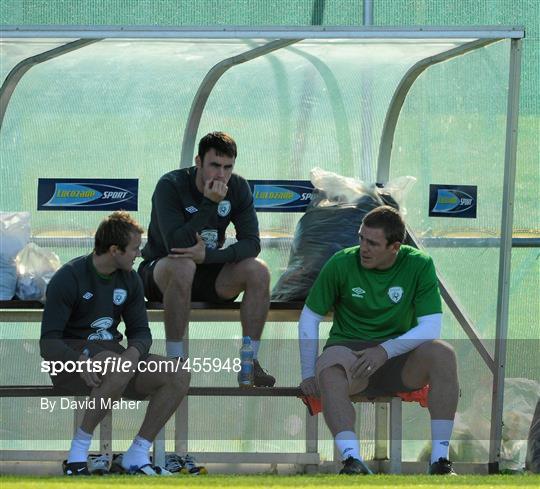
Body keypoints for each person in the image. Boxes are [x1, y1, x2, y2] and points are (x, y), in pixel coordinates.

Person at [298, 205, 459, 475]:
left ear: (395, 247)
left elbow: (431, 327)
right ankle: (352, 461)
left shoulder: (420, 264)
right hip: (351, 357)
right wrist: (307, 374)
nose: (363, 247)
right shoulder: (340, 262)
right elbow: (309, 318)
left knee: (443, 353)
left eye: (372, 243)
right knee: (329, 370)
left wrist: (385, 350)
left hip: (399, 359)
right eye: (361, 238)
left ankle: (440, 461)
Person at [40, 212, 190, 476]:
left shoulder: (130, 279)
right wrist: (78, 361)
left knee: (179, 373)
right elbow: (48, 343)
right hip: (74, 366)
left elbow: (141, 333)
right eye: (134, 248)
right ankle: (77, 455)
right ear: (114, 250)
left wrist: (133, 353)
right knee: (116, 363)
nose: (139, 253)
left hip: (118, 365)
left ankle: (137, 453)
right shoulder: (68, 277)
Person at [138, 131, 275, 387]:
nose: (221, 174)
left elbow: (252, 243)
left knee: (259, 270)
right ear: (199, 161)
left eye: (227, 167)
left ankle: (250, 362)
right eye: (214, 165)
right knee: (183, 265)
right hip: (162, 272)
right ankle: (176, 364)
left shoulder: (238, 187)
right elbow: (176, 245)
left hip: (208, 270)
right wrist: (209, 204)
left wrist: (210, 256)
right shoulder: (171, 185)